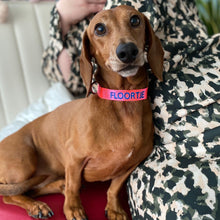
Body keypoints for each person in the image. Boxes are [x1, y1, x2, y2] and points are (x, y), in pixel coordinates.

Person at [42, 0, 220, 219]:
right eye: (100, 30)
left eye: (134, 21)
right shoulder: (88, 10)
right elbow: (66, 78)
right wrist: (61, 18)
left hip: (205, 68)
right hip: (163, 124)